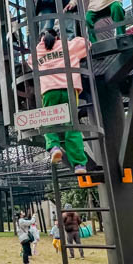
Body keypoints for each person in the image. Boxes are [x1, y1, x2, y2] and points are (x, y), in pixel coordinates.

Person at [29, 27, 89, 172]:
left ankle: (54, 146)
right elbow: (86, 44)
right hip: (69, 87)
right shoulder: (68, 46)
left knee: (48, 121)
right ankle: (79, 164)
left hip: (49, 90)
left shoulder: (38, 52)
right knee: (72, 125)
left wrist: (41, 45)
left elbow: (30, 63)